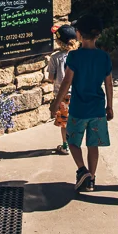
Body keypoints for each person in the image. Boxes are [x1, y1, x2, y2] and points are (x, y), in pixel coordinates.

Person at [50, 14, 113, 192]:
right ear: (98, 35)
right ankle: (91, 179)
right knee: (93, 145)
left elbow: (66, 82)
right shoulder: (104, 57)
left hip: (78, 109)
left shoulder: (75, 57)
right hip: (98, 109)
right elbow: (108, 83)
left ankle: (82, 169)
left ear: (78, 34)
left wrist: (56, 103)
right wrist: (110, 106)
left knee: (72, 141)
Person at [47, 25, 79, 155]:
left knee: (65, 123)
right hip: (78, 94)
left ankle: (65, 145)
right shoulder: (79, 55)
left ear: (58, 42)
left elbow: (50, 78)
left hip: (63, 95)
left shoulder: (55, 58)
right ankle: (76, 143)